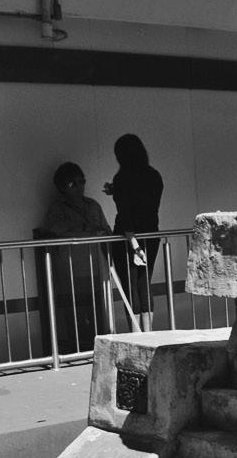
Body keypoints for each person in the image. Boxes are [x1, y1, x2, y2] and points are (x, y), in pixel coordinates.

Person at [39, 162, 111, 350]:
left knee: (97, 310)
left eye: (82, 181)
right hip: (71, 268)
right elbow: (55, 230)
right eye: (73, 183)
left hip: (94, 266)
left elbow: (106, 230)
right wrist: (85, 228)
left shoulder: (93, 206)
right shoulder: (57, 209)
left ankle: (99, 349)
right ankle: (78, 350)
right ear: (62, 187)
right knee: (75, 312)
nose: (79, 187)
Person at [103, 134, 164, 329]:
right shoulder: (154, 175)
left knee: (130, 287)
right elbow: (145, 204)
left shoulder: (122, 178)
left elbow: (127, 215)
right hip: (151, 235)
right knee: (144, 283)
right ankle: (148, 332)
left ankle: (136, 334)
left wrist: (135, 246)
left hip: (126, 239)